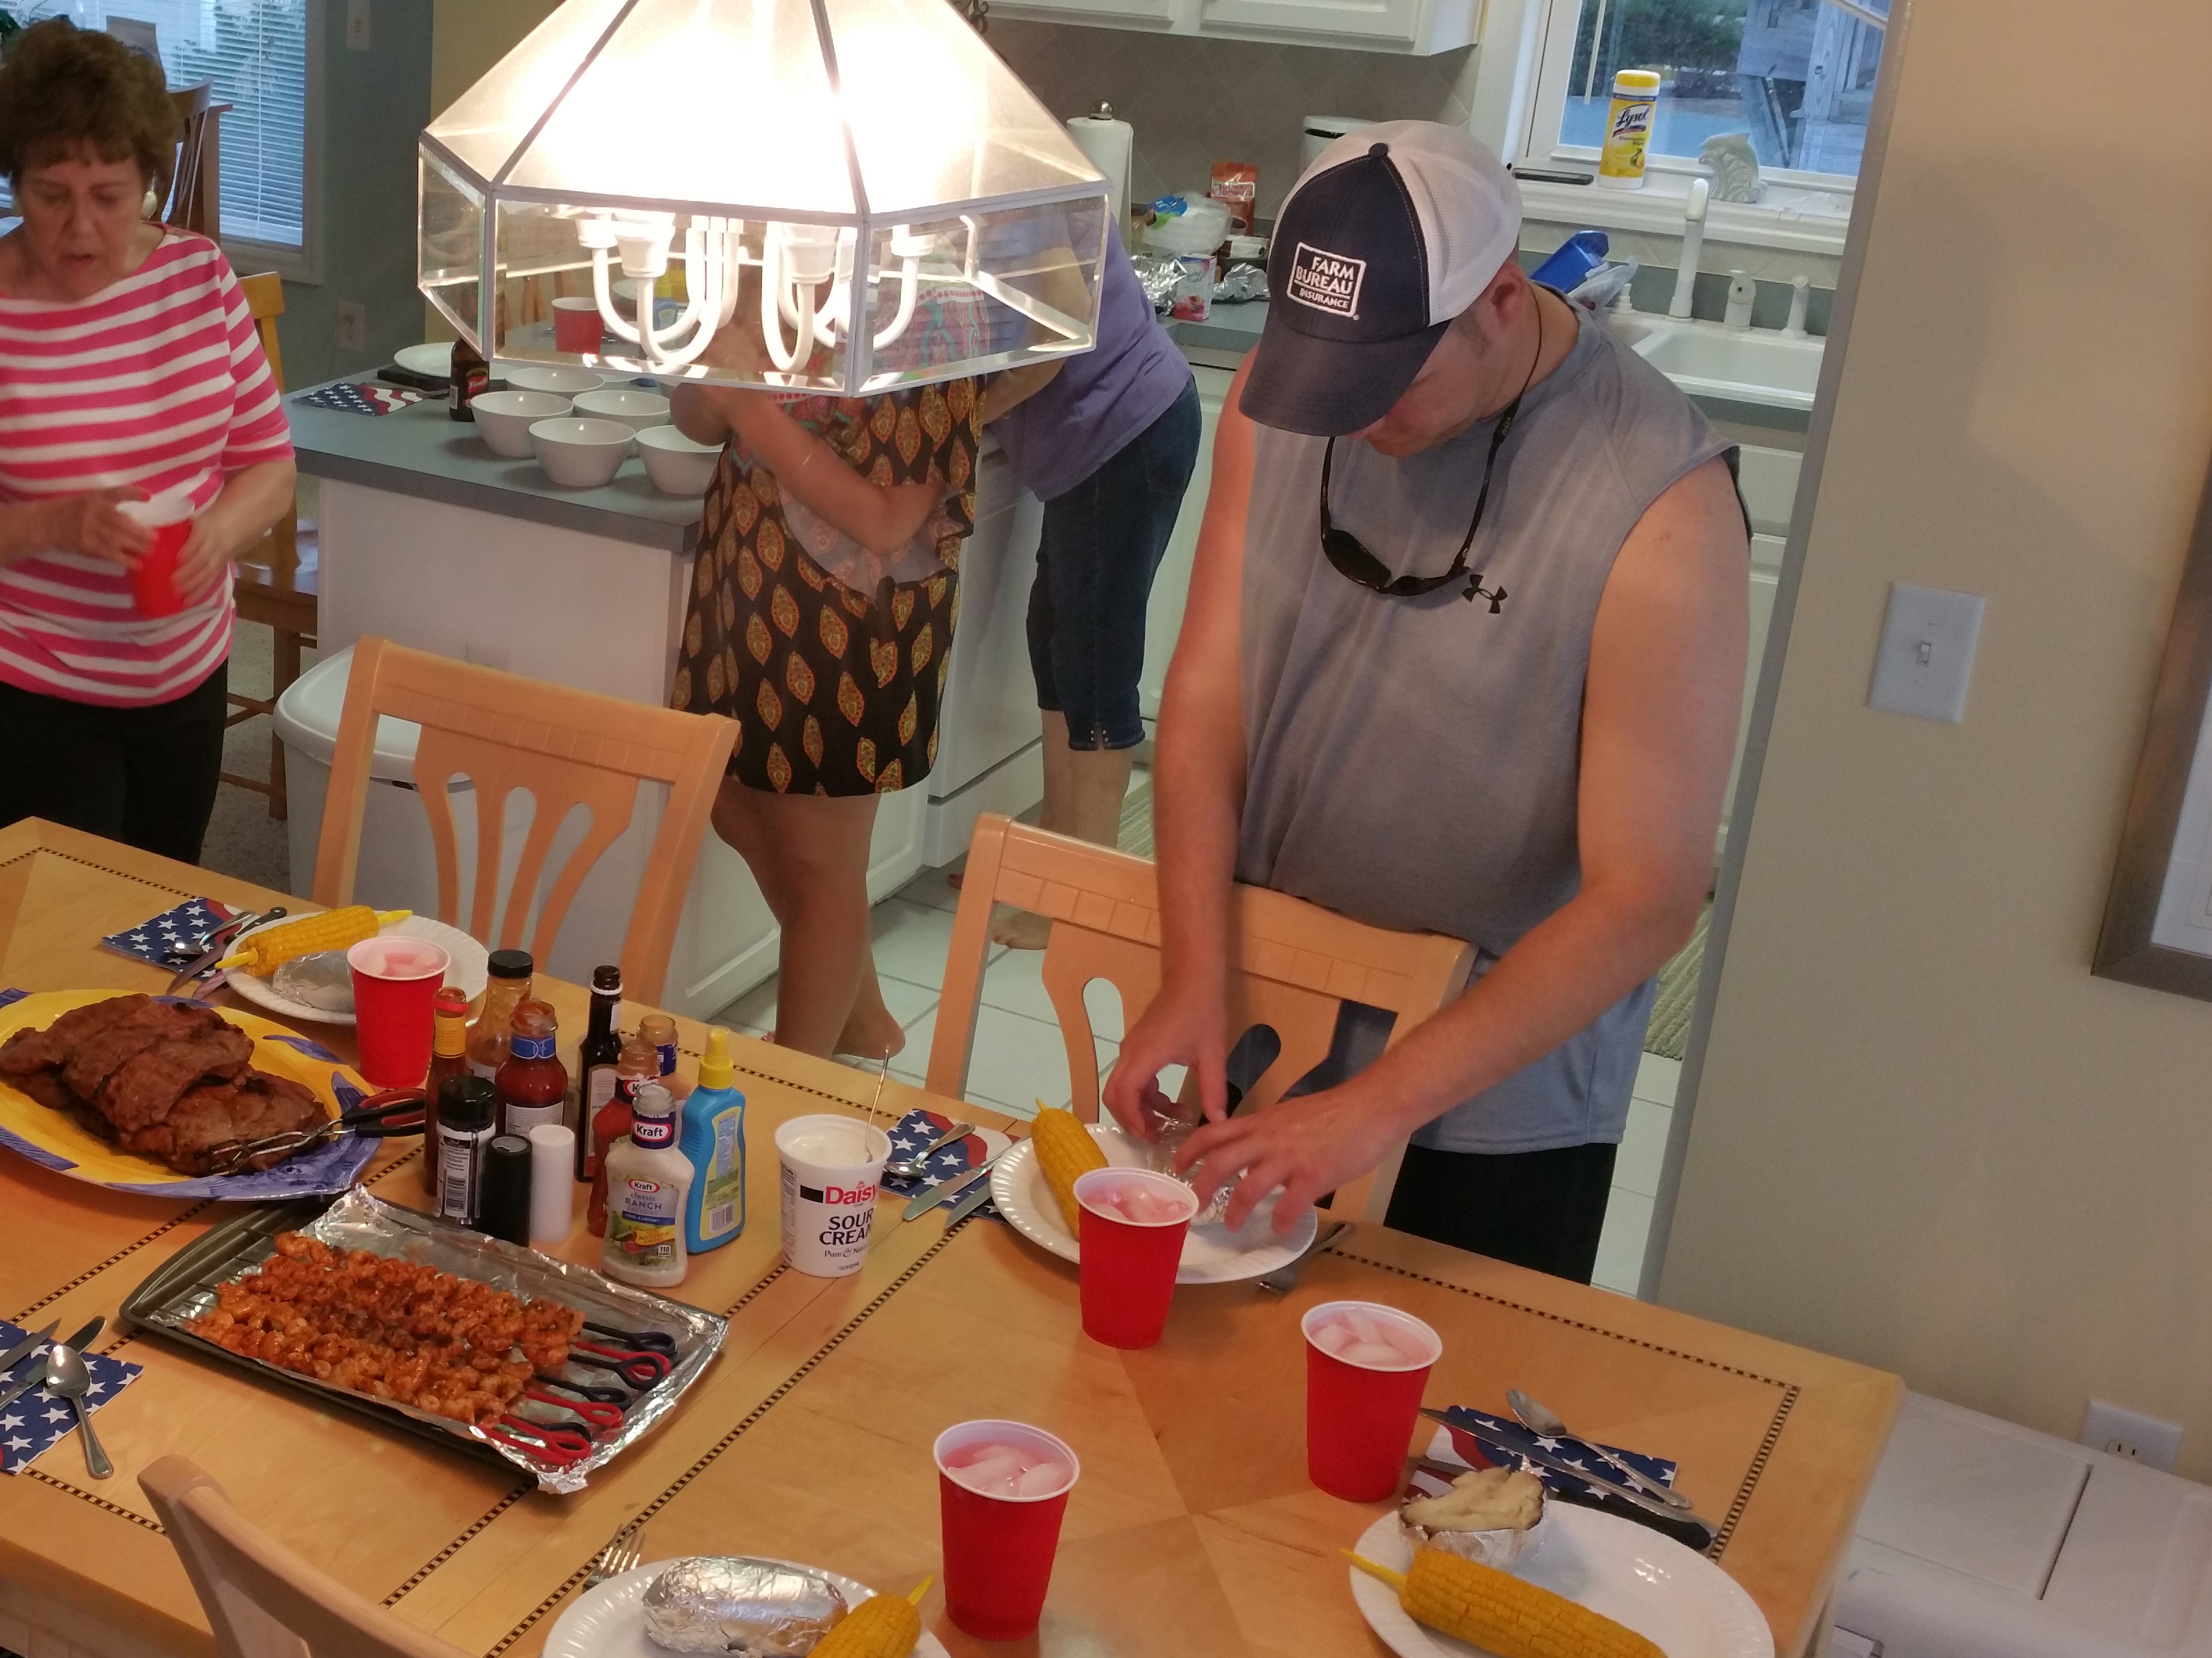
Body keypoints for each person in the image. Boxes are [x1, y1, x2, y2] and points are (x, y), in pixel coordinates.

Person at [1102, 121, 1747, 1282]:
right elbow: (1206, 697)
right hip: (1268, 1019)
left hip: (1486, 1105)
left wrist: (1376, 1105)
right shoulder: (1281, 401)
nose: (1352, 419)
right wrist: (1194, 969)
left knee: (1438, 1397)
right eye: (1328, 380)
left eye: (1388, 382)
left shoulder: (1659, 502)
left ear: (1499, 299)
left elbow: (1649, 894)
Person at [0, 24, 295, 861]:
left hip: (186, 663)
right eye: (50, 195)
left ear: (147, 183)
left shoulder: (201, 278)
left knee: (159, 911)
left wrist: (217, 533)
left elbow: (269, 466)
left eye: (108, 195)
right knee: (59, 926)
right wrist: (52, 523)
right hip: (21, 676)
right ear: (13, 181)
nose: (80, 228)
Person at [669, 305, 1060, 1060]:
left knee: (820, 866)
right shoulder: (764, 276)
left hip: (850, 618)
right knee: (732, 805)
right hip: (745, 587)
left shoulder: (930, 314)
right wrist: (715, 379)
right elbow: (694, 417)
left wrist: (747, 406)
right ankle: (861, 1015)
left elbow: (886, 521)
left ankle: (795, 1080)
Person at [987, 225, 1205, 948]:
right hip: (1099, 440)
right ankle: (1060, 853)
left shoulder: (1023, 192)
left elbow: (1058, 328)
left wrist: (967, 411)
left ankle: (1084, 899)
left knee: (1094, 663)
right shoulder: (991, 188)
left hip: (1122, 434)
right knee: (1056, 641)